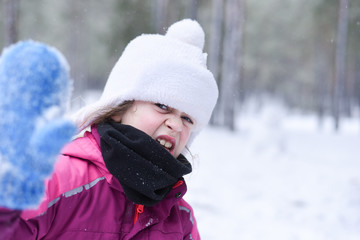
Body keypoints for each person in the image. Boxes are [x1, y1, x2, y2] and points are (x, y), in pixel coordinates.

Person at [0, 18, 218, 239]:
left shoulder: (180, 218)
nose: (176, 124)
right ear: (118, 108)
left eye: (188, 118)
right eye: (162, 106)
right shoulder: (56, 180)